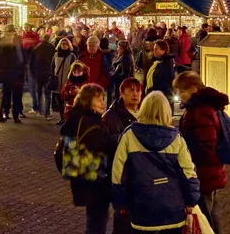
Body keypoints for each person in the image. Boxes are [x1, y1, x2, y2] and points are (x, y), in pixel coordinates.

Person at [111, 92, 200, 234]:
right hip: (172, 208)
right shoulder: (176, 138)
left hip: (141, 207)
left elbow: (118, 174)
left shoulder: (129, 135)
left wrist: (120, 203)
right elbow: (188, 173)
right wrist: (191, 200)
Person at [175, 71, 228, 234]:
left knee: (205, 218)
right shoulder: (201, 107)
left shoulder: (199, 111)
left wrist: (187, 160)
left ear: (193, 89)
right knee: (212, 214)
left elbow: (206, 147)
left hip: (203, 173)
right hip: (210, 172)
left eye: (182, 91)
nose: (179, 95)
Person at [61, 84, 114, 234]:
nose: (103, 103)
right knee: (97, 222)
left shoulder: (76, 118)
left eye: (103, 99)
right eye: (98, 99)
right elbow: (104, 147)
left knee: (94, 220)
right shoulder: (90, 123)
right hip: (96, 181)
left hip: (83, 180)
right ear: (87, 101)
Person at [0, 25, 25, 123]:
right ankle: (6, 112)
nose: (10, 35)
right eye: (9, 33)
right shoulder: (0, 42)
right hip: (6, 73)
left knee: (17, 95)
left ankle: (16, 115)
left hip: (18, 73)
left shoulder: (18, 41)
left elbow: (22, 55)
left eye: (12, 33)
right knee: (6, 95)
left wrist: (23, 67)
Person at [103, 77, 142, 144]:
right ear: (121, 94)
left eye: (138, 90)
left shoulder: (146, 114)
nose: (135, 94)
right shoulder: (110, 117)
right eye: (131, 90)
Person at [52, 39, 78, 123]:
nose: (64, 45)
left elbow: (75, 68)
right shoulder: (56, 55)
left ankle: (68, 118)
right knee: (59, 101)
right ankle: (62, 117)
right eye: (63, 43)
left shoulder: (72, 56)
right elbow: (52, 66)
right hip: (57, 82)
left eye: (66, 44)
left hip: (67, 82)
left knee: (68, 101)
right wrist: (52, 75)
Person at [146, 40, 177, 109]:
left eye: (156, 49)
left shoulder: (166, 64)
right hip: (156, 96)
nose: (154, 51)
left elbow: (168, 81)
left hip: (163, 97)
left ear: (163, 50)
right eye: (154, 49)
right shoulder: (157, 62)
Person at [30, 33, 55, 117]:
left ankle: (40, 111)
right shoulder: (51, 48)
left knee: (39, 93)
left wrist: (33, 73)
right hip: (48, 73)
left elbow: (31, 63)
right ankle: (47, 112)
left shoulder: (36, 48)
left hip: (38, 73)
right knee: (48, 93)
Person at [108, 40, 135, 104]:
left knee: (119, 101)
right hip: (119, 84)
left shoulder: (126, 59)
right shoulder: (123, 57)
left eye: (119, 47)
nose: (117, 49)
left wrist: (113, 75)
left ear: (123, 49)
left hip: (121, 84)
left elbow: (124, 74)